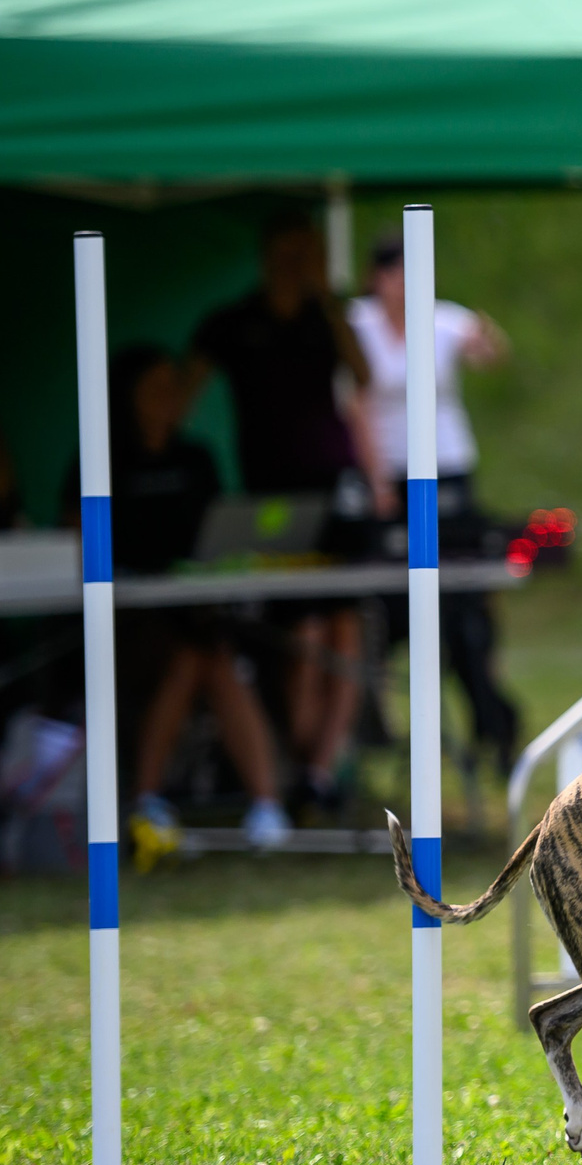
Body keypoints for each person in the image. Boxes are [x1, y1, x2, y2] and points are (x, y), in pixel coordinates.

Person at [182, 211, 384, 815]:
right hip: (273, 498)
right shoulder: (233, 322)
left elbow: (364, 375)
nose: (298, 265)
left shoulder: (327, 317)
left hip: (335, 489)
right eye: (290, 253)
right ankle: (298, 761)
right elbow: (182, 391)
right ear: (269, 254)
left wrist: (328, 299)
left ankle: (319, 772)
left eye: (308, 254)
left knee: (345, 629)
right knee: (303, 635)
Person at [71, 348, 290, 849]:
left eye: (175, 387)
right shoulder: (100, 460)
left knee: (210, 656)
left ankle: (263, 807)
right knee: (196, 657)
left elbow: (221, 536)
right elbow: (75, 541)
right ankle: (152, 803)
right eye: (156, 389)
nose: (171, 398)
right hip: (123, 622)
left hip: (196, 612)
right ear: (127, 397)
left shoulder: (195, 457)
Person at [350, 235, 523, 771]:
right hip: (391, 481)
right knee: (388, 604)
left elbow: (490, 355)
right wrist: (375, 481)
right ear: (377, 277)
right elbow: (355, 403)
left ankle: (492, 718)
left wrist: (487, 339)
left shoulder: (444, 320)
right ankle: (375, 717)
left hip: (448, 474)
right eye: (396, 273)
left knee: (463, 605)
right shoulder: (358, 325)